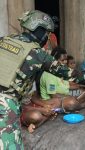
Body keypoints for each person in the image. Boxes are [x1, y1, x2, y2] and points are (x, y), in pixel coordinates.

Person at [0, 10, 55, 149]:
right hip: (5, 105)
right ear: (40, 31)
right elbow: (68, 73)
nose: (47, 38)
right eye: (47, 34)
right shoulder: (38, 54)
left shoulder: (3, 40)